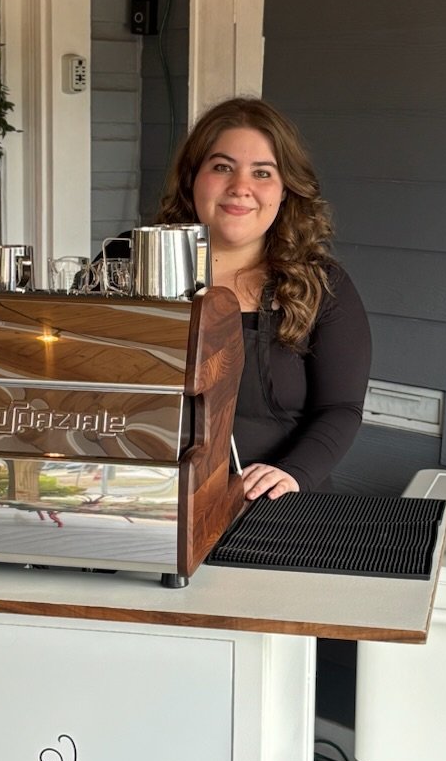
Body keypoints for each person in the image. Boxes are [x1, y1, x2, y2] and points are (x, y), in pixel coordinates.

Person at [158, 97, 371, 500]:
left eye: (262, 173)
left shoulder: (322, 285)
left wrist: (291, 474)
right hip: (150, 502)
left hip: (272, 504)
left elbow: (340, 409)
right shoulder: (127, 265)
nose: (240, 188)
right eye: (222, 167)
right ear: (192, 178)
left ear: (286, 189)